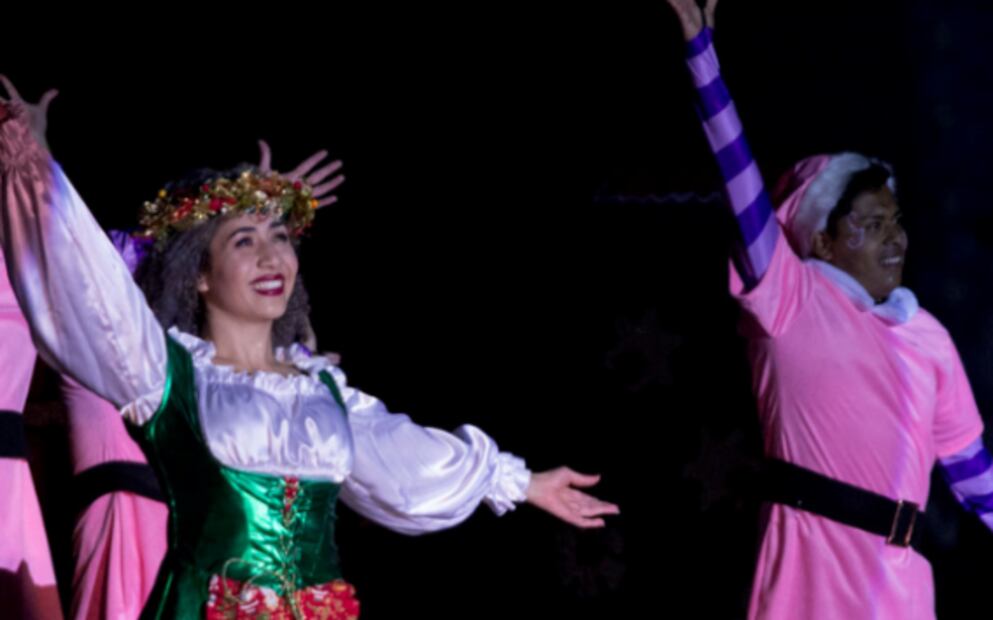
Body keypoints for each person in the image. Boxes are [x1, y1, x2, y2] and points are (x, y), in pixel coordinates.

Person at [0, 78, 620, 619]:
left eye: (280, 237)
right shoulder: (166, 372)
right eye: (244, 242)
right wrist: (35, 164)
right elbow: (91, 288)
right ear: (201, 274)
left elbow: (406, 459)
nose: (272, 257)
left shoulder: (321, 391)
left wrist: (520, 481)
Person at [664, 2, 993, 618]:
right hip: (811, 570)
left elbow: (975, 476)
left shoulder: (928, 335)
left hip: (901, 587)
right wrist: (702, 60)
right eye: (871, 223)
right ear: (822, 240)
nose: (895, 238)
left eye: (896, 220)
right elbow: (741, 183)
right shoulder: (790, 299)